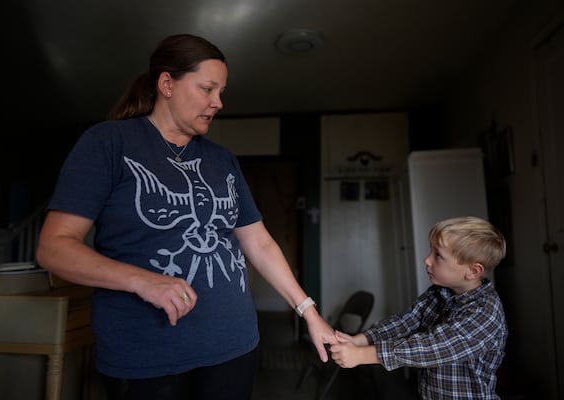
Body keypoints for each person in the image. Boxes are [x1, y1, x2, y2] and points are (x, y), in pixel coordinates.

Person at [35, 33, 336, 400]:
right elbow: (54, 248)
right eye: (207, 89)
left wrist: (308, 312)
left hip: (235, 344)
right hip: (147, 353)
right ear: (167, 84)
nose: (218, 102)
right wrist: (143, 281)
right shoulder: (108, 143)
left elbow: (258, 242)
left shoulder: (222, 159)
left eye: (221, 92)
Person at [330, 216, 508, 399]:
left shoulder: (485, 314)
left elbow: (433, 347)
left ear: (472, 271)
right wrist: (361, 340)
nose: (427, 260)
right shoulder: (438, 292)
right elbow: (405, 321)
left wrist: (363, 355)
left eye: (438, 255)